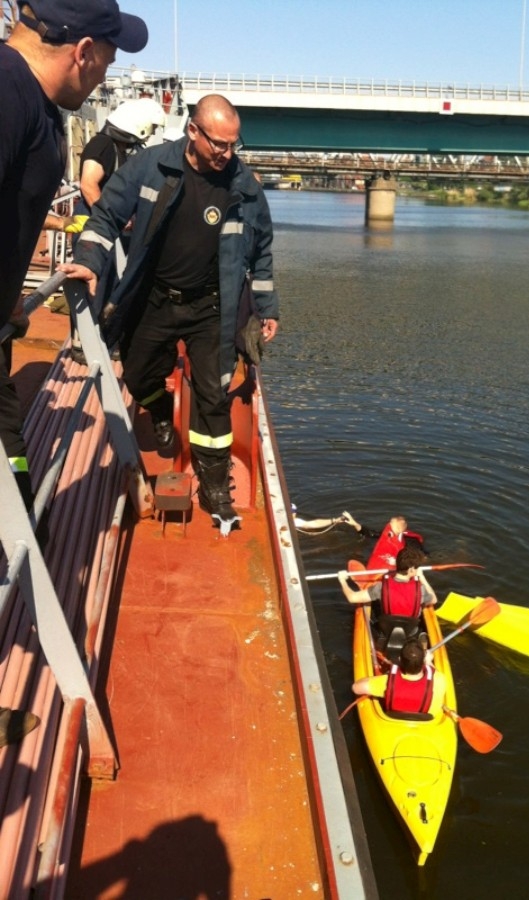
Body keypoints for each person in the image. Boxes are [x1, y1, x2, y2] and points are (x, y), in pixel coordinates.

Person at [0, 0, 148, 748]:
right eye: (109, 63)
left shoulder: (30, 104)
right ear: (83, 50)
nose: (104, 80)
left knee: (16, 499)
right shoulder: (6, 94)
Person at [62, 94, 280, 535]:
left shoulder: (244, 184)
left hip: (210, 307)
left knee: (213, 394)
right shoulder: (152, 166)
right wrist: (88, 257)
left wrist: (268, 309)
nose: (226, 153)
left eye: (233, 144)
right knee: (140, 373)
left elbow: (262, 251)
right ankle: (160, 410)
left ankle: (216, 488)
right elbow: (105, 216)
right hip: (155, 298)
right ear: (193, 132)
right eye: (218, 143)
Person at [68, 97, 166, 362]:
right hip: (92, 222)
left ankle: (100, 338)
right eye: (152, 128)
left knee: (109, 281)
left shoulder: (121, 151)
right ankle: (82, 344)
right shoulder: (102, 145)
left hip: (107, 225)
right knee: (93, 284)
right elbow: (88, 184)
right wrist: (113, 215)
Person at [338, 544, 437, 643]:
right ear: (411, 569)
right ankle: (421, 637)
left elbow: (352, 598)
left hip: (385, 630)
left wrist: (342, 580)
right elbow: (434, 599)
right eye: (417, 568)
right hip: (411, 632)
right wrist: (422, 577)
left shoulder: (380, 587)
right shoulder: (421, 590)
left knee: (375, 604)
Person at [351, 639, 447, 719]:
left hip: (392, 722)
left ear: (400, 659)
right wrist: (429, 662)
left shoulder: (387, 682)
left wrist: (375, 678)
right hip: (426, 724)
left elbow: (356, 688)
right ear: (423, 662)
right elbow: (434, 673)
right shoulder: (440, 680)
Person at [342, 512, 426, 564]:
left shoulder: (412, 542)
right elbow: (370, 533)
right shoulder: (387, 534)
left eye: (391, 526)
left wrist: (397, 562)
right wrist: (354, 523)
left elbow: (422, 558)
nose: (388, 527)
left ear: (399, 530)